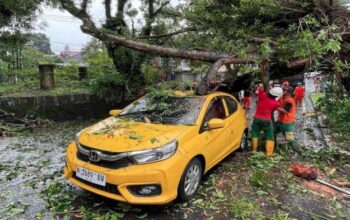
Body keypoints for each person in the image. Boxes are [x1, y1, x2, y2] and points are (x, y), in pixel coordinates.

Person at [251, 86, 285, 157]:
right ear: (277, 96)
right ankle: (269, 153)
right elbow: (281, 110)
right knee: (270, 136)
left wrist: (267, 86)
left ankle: (254, 150)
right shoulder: (275, 103)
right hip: (266, 120)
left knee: (255, 134)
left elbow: (260, 88)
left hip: (256, 118)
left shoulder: (262, 95)